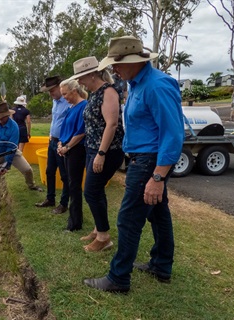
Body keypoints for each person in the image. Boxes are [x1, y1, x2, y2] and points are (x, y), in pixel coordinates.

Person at [83, 36, 184, 293]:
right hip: (142, 159)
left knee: (128, 220)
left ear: (134, 62)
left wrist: (158, 177)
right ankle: (161, 265)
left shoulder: (157, 85)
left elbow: (173, 135)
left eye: (117, 64)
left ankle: (118, 278)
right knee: (159, 214)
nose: (113, 70)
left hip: (150, 161)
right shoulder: (136, 84)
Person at [68, 56, 125, 252]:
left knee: (91, 190)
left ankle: (104, 238)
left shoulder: (108, 92)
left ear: (92, 75)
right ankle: (98, 228)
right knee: (96, 190)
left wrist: (101, 153)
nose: (79, 82)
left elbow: (112, 124)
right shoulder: (93, 94)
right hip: (92, 149)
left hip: (107, 151)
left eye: (81, 77)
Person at [0, 101, 43, 215]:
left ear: (8, 116)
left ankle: (31, 185)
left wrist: (6, 165)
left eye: (2, 118)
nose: (0, 120)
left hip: (10, 151)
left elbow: (11, 148)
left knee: (27, 169)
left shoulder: (14, 127)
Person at [35, 76, 71, 214]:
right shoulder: (55, 102)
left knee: (64, 174)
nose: (51, 94)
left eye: (53, 90)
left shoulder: (68, 102)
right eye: (49, 91)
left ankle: (63, 203)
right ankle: (50, 199)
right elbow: (55, 120)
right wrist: (51, 135)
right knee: (50, 171)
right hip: (53, 141)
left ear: (60, 87)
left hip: (63, 142)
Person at [57, 79, 87, 232]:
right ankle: (75, 218)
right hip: (67, 149)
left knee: (74, 185)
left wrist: (67, 147)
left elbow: (81, 132)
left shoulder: (83, 107)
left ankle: (75, 223)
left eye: (65, 94)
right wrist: (60, 144)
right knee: (70, 183)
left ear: (74, 91)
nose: (64, 97)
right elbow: (64, 129)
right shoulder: (71, 107)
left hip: (76, 150)